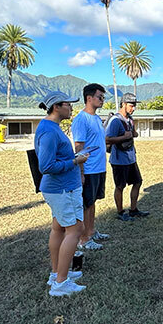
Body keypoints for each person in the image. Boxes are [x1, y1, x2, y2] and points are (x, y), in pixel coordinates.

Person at [34, 91, 88, 297]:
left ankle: (57, 272)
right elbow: (46, 165)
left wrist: (74, 158)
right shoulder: (49, 131)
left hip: (59, 187)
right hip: (61, 188)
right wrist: (76, 161)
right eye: (68, 104)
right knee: (75, 229)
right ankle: (61, 283)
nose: (72, 107)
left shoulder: (50, 127)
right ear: (57, 107)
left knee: (58, 228)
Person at [71, 83, 110, 251]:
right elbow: (79, 147)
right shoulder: (81, 119)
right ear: (89, 98)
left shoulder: (95, 118)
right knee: (86, 204)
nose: (102, 100)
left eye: (103, 97)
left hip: (99, 167)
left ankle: (91, 231)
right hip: (89, 169)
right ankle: (84, 239)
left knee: (92, 202)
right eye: (100, 97)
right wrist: (80, 172)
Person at [105, 92, 150, 221]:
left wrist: (133, 133)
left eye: (135, 105)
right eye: (131, 105)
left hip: (130, 158)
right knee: (120, 186)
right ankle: (120, 212)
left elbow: (132, 134)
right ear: (123, 104)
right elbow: (107, 139)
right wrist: (124, 137)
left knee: (137, 182)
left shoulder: (130, 119)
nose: (133, 108)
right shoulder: (115, 120)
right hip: (119, 160)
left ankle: (133, 210)